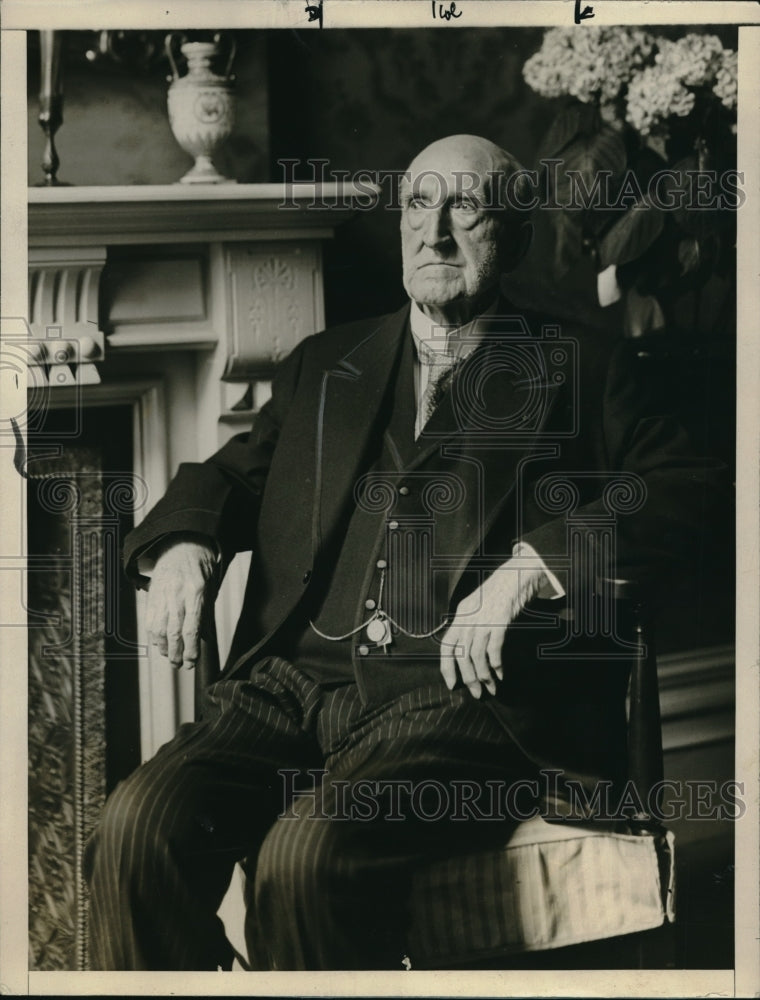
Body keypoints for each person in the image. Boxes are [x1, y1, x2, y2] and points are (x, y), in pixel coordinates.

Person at [84, 134, 726, 971]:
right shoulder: (326, 364)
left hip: (459, 701)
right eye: (419, 204)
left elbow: (689, 490)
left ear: (517, 237)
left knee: (306, 858)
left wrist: (530, 568)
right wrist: (180, 543)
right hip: (288, 684)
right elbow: (230, 476)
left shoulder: (584, 368)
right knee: (134, 830)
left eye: (468, 207)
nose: (437, 232)